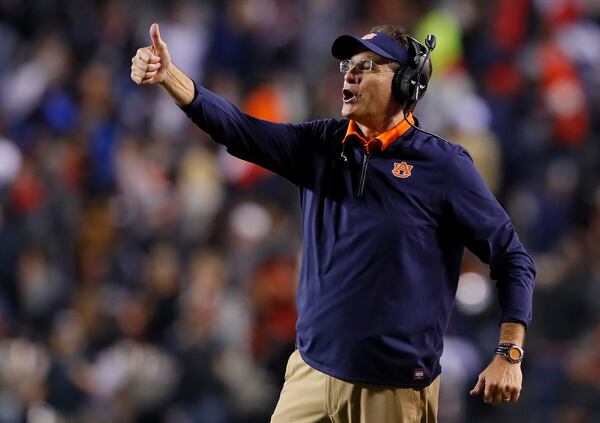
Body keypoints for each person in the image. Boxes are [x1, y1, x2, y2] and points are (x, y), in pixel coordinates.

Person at [131, 22, 535, 423]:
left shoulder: (444, 167)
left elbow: (513, 259)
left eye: (369, 66)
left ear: (407, 83)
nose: (352, 73)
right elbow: (239, 130)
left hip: (391, 392)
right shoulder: (321, 145)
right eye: (349, 65)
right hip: (309, 375)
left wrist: (509, 352)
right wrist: (171, 78)